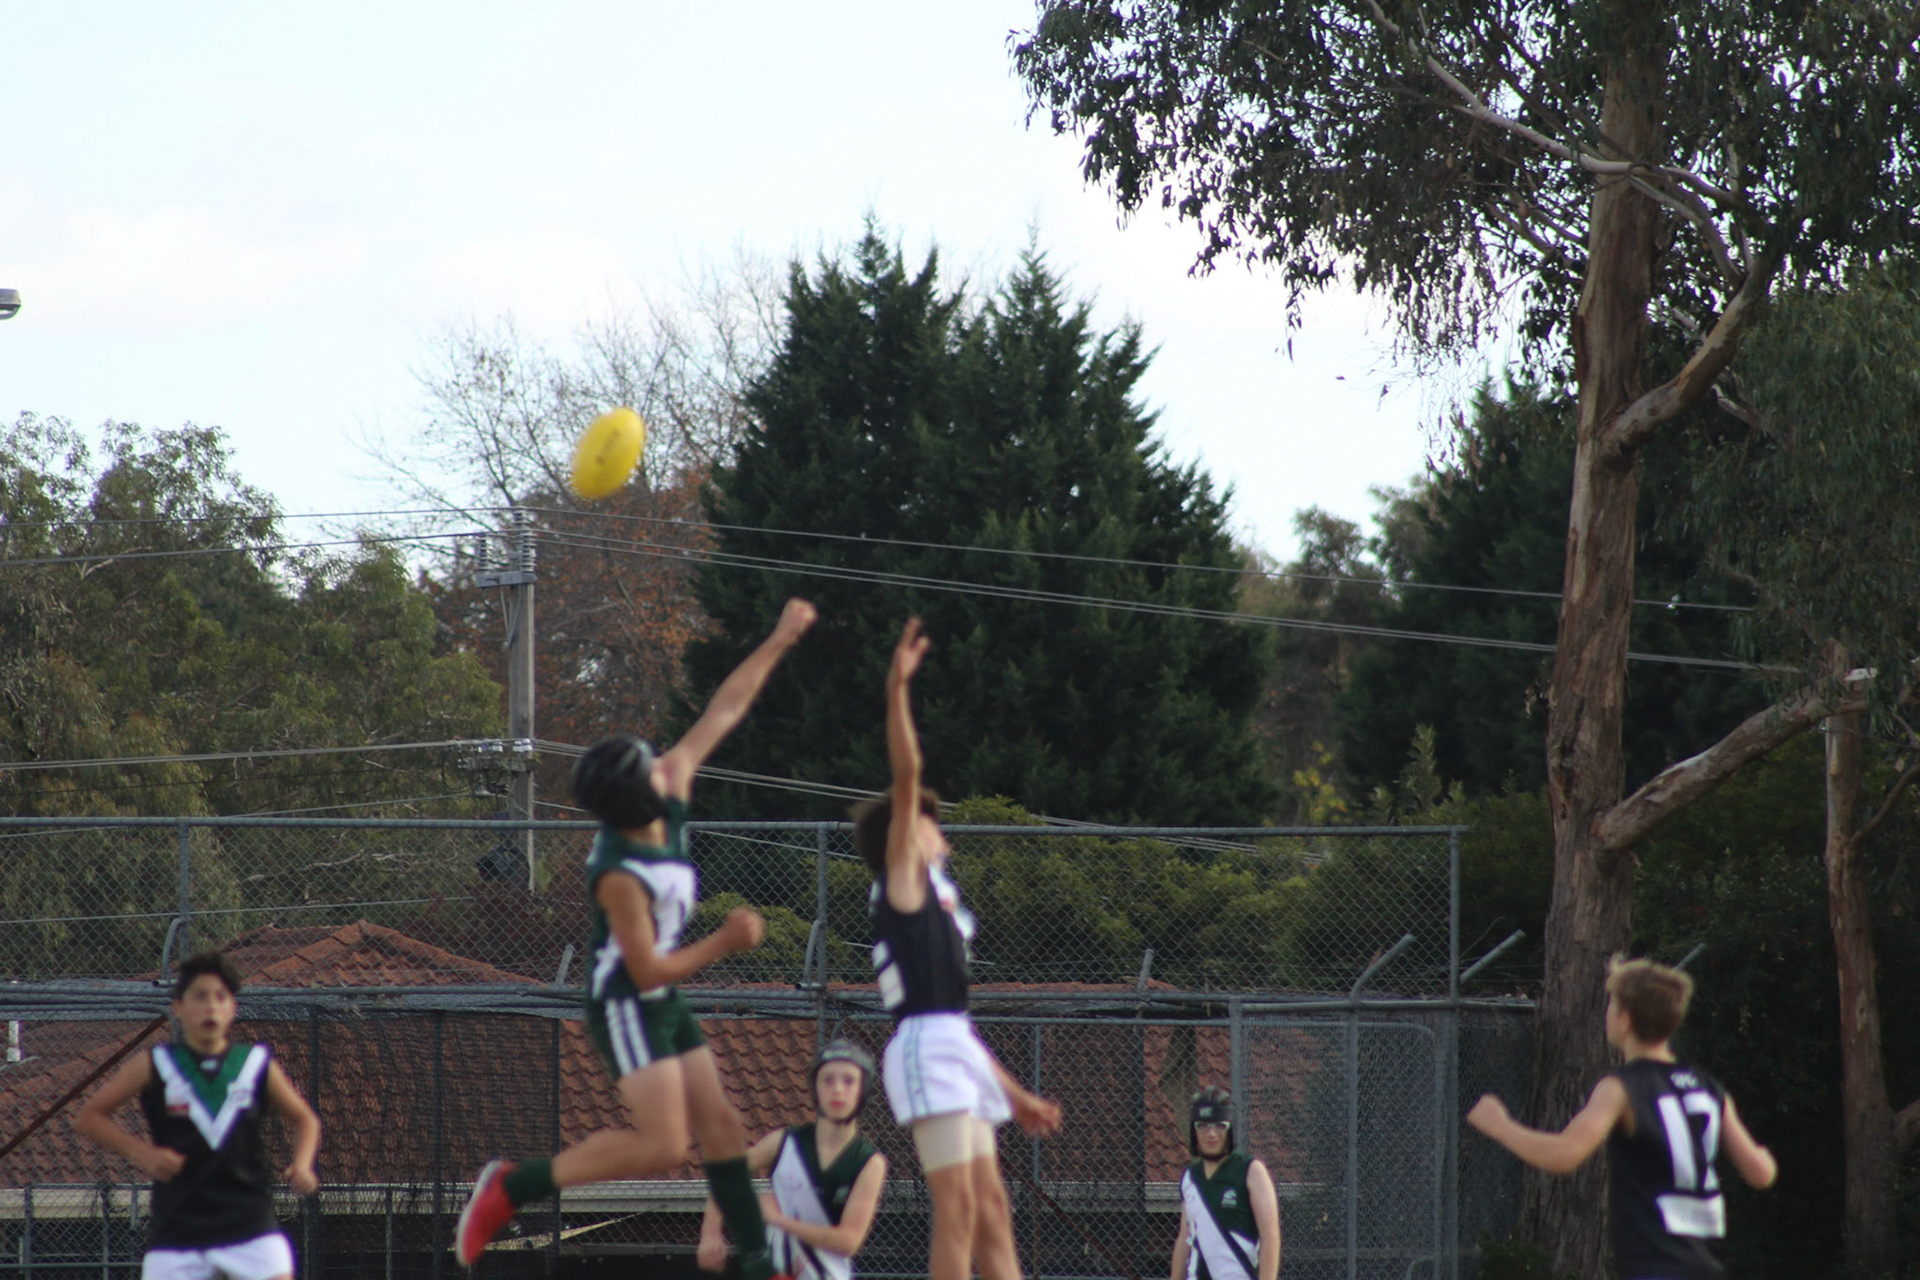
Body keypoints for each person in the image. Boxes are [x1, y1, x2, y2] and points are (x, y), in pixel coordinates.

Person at [453, 597, 818, 1275]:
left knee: (723, 1127)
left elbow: (725, 709)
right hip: (625, 999)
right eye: (649, 767)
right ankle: (512, 1186)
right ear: (635, 800)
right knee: (664, 1146)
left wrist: (779, 638)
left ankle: (759, 1262)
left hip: (660, 999)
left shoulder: (669, 784)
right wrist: (725, 941)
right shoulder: (618, 872)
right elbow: (646, 970)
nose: (663, 764)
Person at [854, 616, 1062, 1280]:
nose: (937, 829)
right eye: (926, 821)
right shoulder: (901, 884)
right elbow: (907, 770)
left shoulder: (942, 902)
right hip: (923, 1049)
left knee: (993, 1209)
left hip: (954, 1045)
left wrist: (1014, 1093)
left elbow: (959, 1025)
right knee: (959, 1210)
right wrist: (897, 690)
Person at [1467, 955, 1778, 1280]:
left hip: (1655, 1265)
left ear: (1625, 1020)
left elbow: (1564, 1154)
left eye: (1611, 1004)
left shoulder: (1622, 1087)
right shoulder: (1708, 1087)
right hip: (1704, 1267)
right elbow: (1761, 1172)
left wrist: (1501, 1125)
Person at [72, 950, 321, 1280]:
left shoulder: (255, 1063)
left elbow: (305, 1119)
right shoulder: (154, 1063)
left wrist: (302, 1164)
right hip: (178, 1230)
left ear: (233, 1008)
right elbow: (89, 1116)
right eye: (200, 996)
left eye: (220, 997)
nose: (211, 1006)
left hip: (249, 1224)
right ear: (178, 1007)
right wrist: (142, 1153)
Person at [697, 1039, 889, 1280]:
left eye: (849, 1081)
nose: (838, 1089)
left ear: (864, 1089)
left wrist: (780, 1220)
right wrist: (710, 1233)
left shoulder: (869, 1162)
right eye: (827, 1080)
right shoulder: (783, 1142)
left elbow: (848, 1241)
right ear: (815, 1088)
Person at [1170, 1086, 1282, 1280]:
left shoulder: (1251, 1171)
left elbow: (1270, 1236)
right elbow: (1185, 1237)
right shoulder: (1190, 1177)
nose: (1211, 1134)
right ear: (1194, 1130)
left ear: (1230, 1128)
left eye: (1220, 1125)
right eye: (1203, 1126)